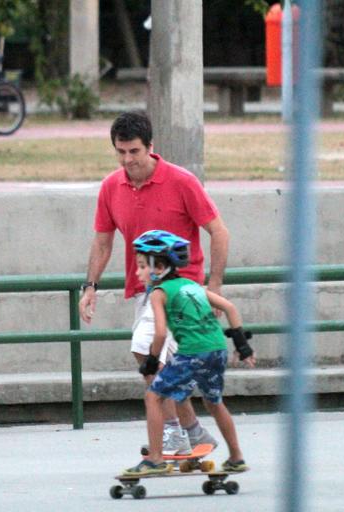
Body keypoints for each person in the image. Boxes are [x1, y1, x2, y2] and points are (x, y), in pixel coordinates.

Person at [79, 111, 230, 455]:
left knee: (145, 350)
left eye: (134, 151)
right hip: (144, 290)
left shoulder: (182, 182)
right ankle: (193, 432)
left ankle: (176, 433)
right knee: (160, 366)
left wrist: (215, 286)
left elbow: (219, 231)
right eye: (121, 152)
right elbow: (103, 243)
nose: (127, 160)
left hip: (182, 288)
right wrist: (90, 287)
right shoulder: (110, 187)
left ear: (151, 146)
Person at [123, 230, 255, 476]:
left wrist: (151, 362)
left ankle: (154, 459)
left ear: (159, 267)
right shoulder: (192, 286)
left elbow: (160, 334)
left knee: (153, 396)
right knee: (213, 402)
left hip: (192, 353)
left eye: (141, 266)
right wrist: (241, 344)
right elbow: (229, 307)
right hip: (217, 350)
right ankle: (236, 457)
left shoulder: (159, 293)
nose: (137, 272)